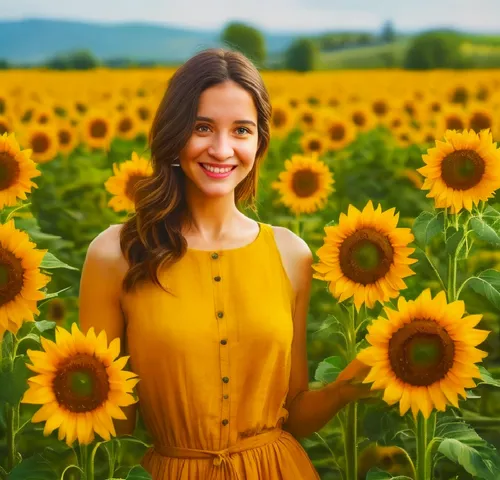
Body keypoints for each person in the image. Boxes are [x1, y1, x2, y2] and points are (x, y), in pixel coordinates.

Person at [79, 48, 372, 480]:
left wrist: (343, 390)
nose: (221, 149)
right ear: (174, 136)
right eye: (202, 128)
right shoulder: (117, 255)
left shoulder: (291, 254)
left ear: (260, 142)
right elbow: (109, 429)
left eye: (241, 130)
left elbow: (293, 414)